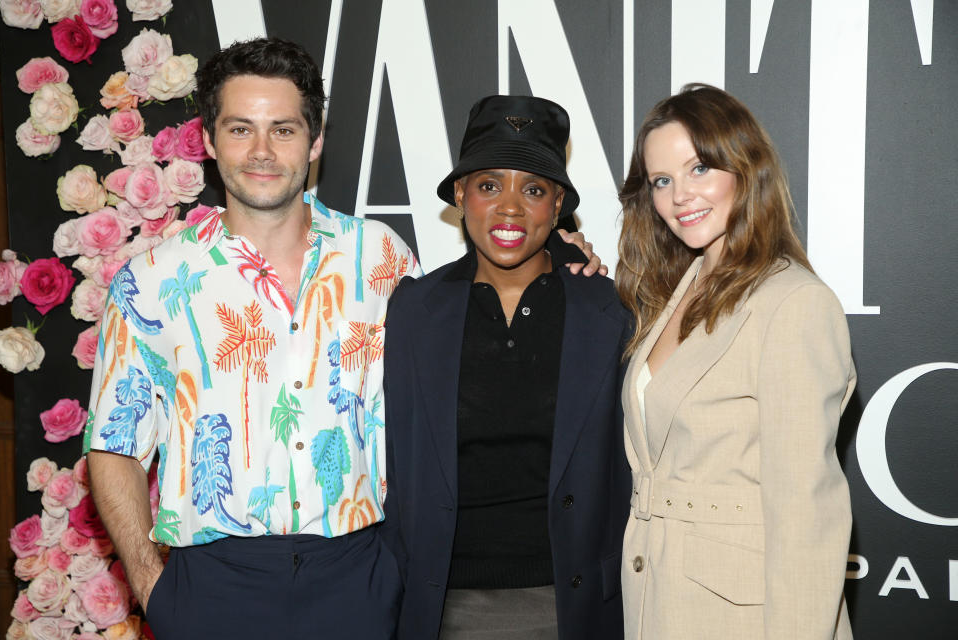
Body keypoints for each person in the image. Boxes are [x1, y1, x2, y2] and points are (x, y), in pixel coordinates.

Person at [85, 39, 603, 639]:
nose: (261, 151)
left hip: (361, 577)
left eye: (283, 129)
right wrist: (154, 587)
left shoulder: (382, 258)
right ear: (207, 139)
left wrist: (564, 252)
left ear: (316, 139)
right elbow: (113, 444)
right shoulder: (151, 282)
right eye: (239, 129)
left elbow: (482, 298)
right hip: (213, 585)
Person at [382, 95, 631, 640]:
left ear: (558, 203)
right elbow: (398, 473)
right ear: (461, 195)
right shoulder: (413, 311)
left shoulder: (612, 311)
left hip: (572, 607)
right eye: (490, 185)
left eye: (534, 189)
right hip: (445, 607)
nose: (510, 208)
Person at [616, 84, 855, 639]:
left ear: (745, 170)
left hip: (744, 618)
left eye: (699, 168)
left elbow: (807, 517)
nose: (680, 196)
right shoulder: (675, 291)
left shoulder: (793, 304)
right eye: (661, 181)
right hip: (659, 603)